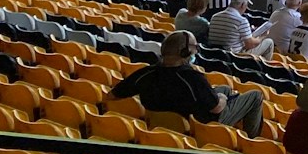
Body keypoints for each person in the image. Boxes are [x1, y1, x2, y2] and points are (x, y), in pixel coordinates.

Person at [110, 30, 265, 137]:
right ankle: (250, 141)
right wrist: (222, 100)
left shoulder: (145, 73)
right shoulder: (192, 77)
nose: (196, 50)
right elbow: (217, 108)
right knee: (256, 95)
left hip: (161, 125)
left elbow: (112, 95)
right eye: (194, 47)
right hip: (202, 124)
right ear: (184, 52)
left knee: (224, 88)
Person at [207, 0, 274, 57]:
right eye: (246, 5)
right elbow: (250, 45)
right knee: (269, 42)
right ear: (243, 5)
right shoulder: (241, 21)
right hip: (235, 56)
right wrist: (262, 36)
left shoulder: (214, 17)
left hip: (216, 54)